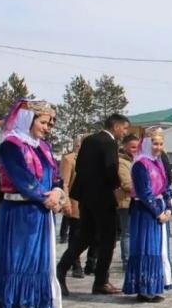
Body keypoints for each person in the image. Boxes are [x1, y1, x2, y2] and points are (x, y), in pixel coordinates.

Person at [0, 99, 67, 308]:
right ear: (28, 120)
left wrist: (57, 192)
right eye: (43, 122)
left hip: (40, 213)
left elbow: (55, 176)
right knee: (20, 264)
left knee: (37, 265)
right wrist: (46, 198)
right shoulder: (11, 146)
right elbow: (23, 179)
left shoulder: (42, 147)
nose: (47, 128)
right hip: (20, 214)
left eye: (49, 124)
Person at [57, 113, 131, 296]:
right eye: (124, 128)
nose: (125, 132)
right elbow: (111, 169)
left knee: (85, 237)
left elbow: (79, 166)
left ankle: (61, 269)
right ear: (116, 126)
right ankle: (101, 281)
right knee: (108, 240)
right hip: (103, 198)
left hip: (85, 197)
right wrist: (117, 186)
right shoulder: (109, 142)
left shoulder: (89, 140)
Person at [122, 127, 172, 302]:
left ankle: (155, 286)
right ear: (146, 144)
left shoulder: (158, 162)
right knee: (146, 248)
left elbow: (166, 186)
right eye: (154, 143)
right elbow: (144, 192)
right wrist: (158, 213)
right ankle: (143, 289)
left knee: (158, 249)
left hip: (158, 208)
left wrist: (168, 207)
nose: (158, 147)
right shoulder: (140, 164)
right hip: (145, 211)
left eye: (160, 144)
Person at [59, 134, 98, 278]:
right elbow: (64, 183)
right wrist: (66, 202)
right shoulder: (69, 159)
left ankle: (91, 263)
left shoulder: (96, 159)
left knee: (95, 235)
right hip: (76, 203)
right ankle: (75, 264)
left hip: (93, 203)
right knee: (76, 236)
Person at [115, 134, 139, 269]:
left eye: (137, 147)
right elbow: (126, 184)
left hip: (138, 201)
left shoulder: (139, 160)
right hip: (127, 201)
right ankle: (127, 261)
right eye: (132, 147)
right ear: (125, 147)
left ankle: (135, 259)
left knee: (136, 232)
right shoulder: (122, 162)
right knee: (127, 233)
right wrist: (144, 188)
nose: (135, 150)